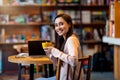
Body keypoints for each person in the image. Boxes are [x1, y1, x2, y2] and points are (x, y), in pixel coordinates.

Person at [36, 14, 83, 80]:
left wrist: (54, 51)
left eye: (61, 24)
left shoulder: (71, 39)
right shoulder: (65, 40)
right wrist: (50, 53)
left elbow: (74, 61)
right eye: (56, 25)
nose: (58, 28)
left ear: (69, 24)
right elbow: (59, 64)